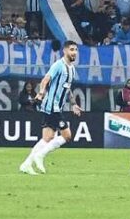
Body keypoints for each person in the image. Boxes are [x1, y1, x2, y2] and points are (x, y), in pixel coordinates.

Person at [19, 41, 83, 175]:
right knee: (67, 136)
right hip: (51, 106)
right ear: (64, 51)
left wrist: (73, 104)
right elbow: (45, 79)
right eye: (71, 49)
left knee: (47, 137)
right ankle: (40, 156)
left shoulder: (71, 68)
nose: (74, 52)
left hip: (56, 107)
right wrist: (41, 92)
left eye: (76, 50)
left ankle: (26, 164)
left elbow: (67, 88)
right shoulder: (58, 65)